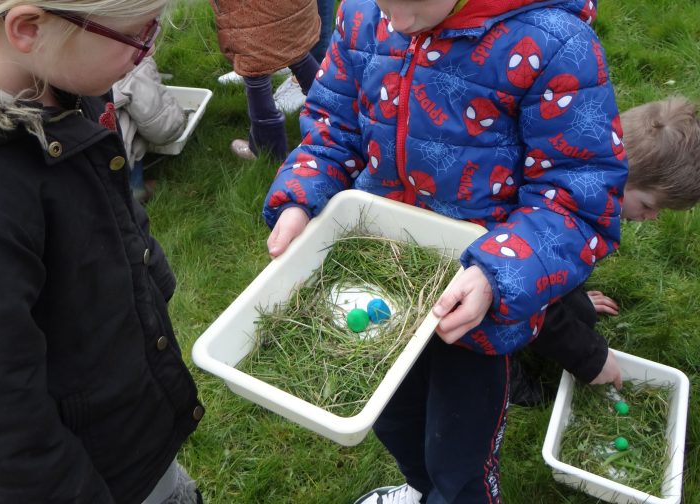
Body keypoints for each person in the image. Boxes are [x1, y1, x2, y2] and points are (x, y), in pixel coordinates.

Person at [262, 0, 628, 503]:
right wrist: (302, 197)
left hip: (477, 309)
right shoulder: (365, 14)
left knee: (459, 460)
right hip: (381, 275)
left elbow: (578, 198)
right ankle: (418, 487)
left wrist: (496, 275)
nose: (394, 20)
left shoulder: (556, 45)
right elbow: (334, 125)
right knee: (394, 419)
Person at [0, 2, 205, 504]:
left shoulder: (54, 91)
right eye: (138, 35)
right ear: (30, 29)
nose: (149, 51)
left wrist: (150, 279)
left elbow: (103, 211)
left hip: (128, 429)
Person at [511, 96, 700, 405]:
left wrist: (574, 295)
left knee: (582, 314)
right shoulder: (566, 211)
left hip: (529, 267)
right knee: (495, 335)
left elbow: (557, 263)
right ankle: (509, 383)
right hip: (485, 283)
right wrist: (590, 357)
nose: (650, 217)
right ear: (620, 175)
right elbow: (529, 293)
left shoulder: (593, 190)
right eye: (649, 205)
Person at [212, 0, 322, 161]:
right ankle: (332, 116)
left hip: (251, 16)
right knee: (297, 51)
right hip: (294, 9)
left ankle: (268, 150)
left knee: (256, 70)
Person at [113, 55, 188, 204]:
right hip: (111, 160)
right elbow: (163, 128)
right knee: (138, 113)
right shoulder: (129, 59)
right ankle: (134, 188)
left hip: (69, 162)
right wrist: (180, 118)